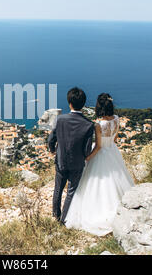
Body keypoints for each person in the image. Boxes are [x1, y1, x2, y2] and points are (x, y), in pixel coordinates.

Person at [64, 93, 135, 236]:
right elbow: (114, 139)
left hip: (102, 154)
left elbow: (98, 146)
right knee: (117, 179)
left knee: (98, 183)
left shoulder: (99, 125)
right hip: (113, 152)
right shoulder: (117, 119)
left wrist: (88, 158)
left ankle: (101, 212)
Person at [48, 87, 95, 224]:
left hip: (61, 160)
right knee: (71, 192)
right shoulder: (88, 124)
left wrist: (52, 150)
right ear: (84, 104)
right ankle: (64, 220)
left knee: (58, 189)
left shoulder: (60, 120)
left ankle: (56, 216)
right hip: (77, 163)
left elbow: (51, 139)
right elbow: (87, 150)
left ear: (69, 103)